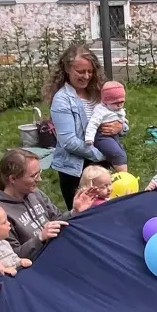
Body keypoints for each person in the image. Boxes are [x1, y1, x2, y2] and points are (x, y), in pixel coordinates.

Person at [43, 43, 122, 209]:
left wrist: (119, 127)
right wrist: (102, 155)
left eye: (90, 71)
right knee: (83, 214)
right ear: (67, 69)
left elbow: (117, 115)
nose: (86, 76)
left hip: (102, 165)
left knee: (109, 210)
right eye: (80, 71)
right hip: (76, 170)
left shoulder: (99, 92)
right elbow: (69, 142)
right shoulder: (62, 100)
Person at [0, 149, 69, 260]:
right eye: (33, 176)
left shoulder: (35, 193)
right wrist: (40, 238)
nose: (39, 179)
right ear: (13, 179)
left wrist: (75, 210)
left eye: (39, 173)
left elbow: (57, 219)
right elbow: (12, 257)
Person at [86, 80, 129, 173]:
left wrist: (123, 125)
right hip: (102, 137)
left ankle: (115, 173)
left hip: (114, 136)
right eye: (115, 103)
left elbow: (122, 118)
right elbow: (92, 124)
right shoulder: (100, 111)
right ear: (105, 102)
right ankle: (123, 175)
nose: (119, 105)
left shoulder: (118, 109)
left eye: (122, 102)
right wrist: (89, 138)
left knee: (122, 154)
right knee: (117, 154)